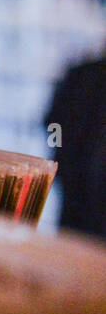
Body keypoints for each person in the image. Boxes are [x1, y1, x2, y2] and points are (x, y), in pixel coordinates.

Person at [44, 54, 106, 240]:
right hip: (77, 187)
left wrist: (61, 155)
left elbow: (51, 124)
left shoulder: (81, 73)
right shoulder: (82, 74)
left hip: (73, 186)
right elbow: (52, 123)